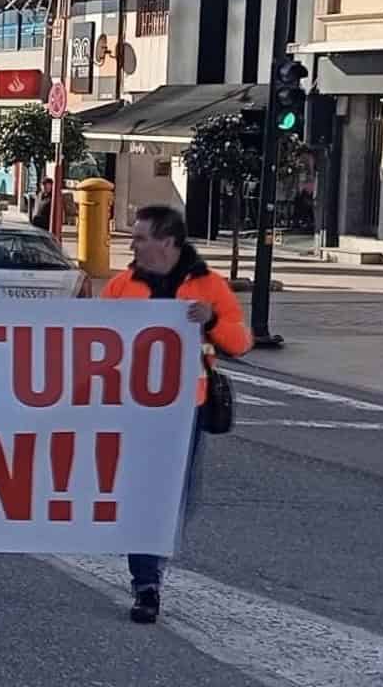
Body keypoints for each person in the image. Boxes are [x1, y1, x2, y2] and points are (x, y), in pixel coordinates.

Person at [103, 204, 249, 625]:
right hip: (133, 407)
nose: (132, 243)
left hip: (187, 409)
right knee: (142, 494)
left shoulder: (209, 286)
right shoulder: (120, 286)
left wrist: (213, 320)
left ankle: (152, 564)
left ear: (167, 242)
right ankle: (146, 582)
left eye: (140, 237)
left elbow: (239, 342)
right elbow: (94, 342)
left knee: (175, 499)